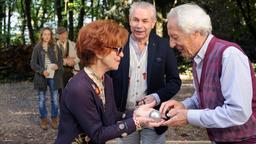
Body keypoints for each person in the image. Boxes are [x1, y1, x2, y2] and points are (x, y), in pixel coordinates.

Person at [159, 3, 256, 143]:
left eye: (175, 37)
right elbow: (206, 96)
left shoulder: (229, 56)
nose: (171, 44)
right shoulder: (198, 58)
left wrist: (188, 116)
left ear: (195, 33)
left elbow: (238, 112)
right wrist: (184, 105)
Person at [55, 19, 162, 144]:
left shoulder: (106, 80)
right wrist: (137, 122)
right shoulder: (79, 88)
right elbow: (98, 134)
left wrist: (136, 113)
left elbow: (110, 118)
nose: (121, 55)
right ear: (99, 51)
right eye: (117, 49)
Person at [109, 1, 181, 144]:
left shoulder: (164, 46)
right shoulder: (117, 45)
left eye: (145, 21)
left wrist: (156, 97)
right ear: (129, 21)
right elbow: (106, 78)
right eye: (135, 20)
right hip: (125, 117)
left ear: (153, 23)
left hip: (153, 115)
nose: (139, 25)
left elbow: (175, 81)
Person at [30, 27, 63, 130]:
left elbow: (61, 61)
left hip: (54, 76)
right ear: (41, 35)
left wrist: (57, 65)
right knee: (41, 99)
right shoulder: (37, 48)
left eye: (49, 34)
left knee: (54, 99)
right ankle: (43, 119)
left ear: (51, 35)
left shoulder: (55, 47)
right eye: (45, 34)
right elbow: (33, 64)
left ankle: (54, 119)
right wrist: (42, 71)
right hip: (41, 76)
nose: (47, 36)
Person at [56, 26, 80, 101]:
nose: (62, 36)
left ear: (67, 34)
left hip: (72, 71)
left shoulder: (73, 44)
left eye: (64, 33)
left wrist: (73, 61)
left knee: (73, 91)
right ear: (57, 36)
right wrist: (66, 61)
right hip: (60, 73)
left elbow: (79, 57)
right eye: (60, 34)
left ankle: (71, 110)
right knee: (62, 93)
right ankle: (63, 111)